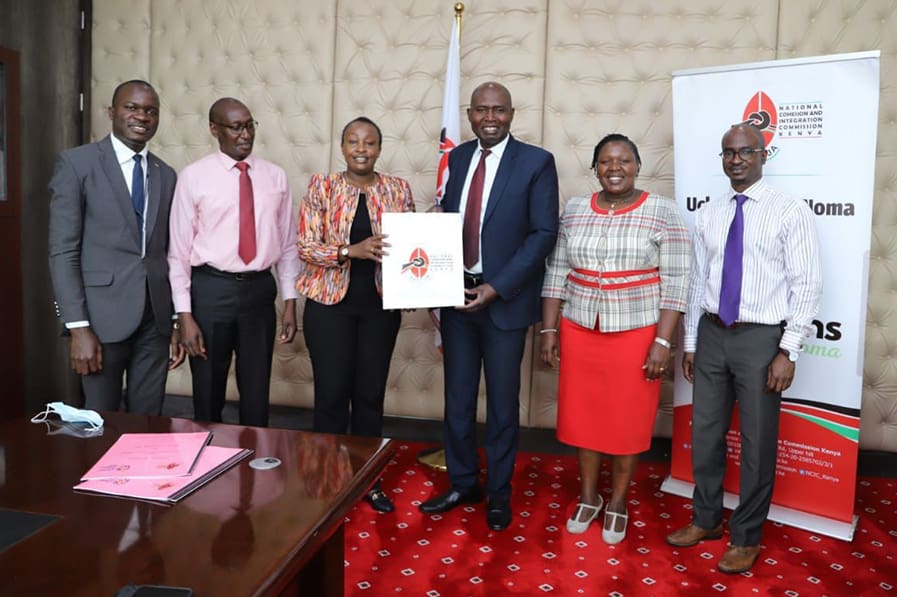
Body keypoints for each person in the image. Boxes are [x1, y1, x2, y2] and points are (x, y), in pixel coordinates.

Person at [666, 123, 821, 574]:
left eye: (745, 153)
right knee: (706, 435)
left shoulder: (789, 211)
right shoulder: (711, 212)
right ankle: (706, 519)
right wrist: (692, 343)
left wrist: (787, 350)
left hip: (760, 339)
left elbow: (806, 285)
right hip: (713, 333)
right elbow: (699, 281)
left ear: (763, 155)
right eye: (728, 153)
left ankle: (746, 536)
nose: (736, 160)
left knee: (756, 444)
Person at [418, 82, 559, 531]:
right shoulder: (457, 158)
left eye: (499, 110)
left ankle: (498, 492)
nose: (490, 117)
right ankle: (462, 483)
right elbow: (447, 219)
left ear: (512, 114)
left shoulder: (537, 163)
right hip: (456, 297)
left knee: (501, 404)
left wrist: (497, 287)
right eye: (482, 110)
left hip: (504, 302)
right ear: (470, 114)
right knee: (457, 400)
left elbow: (542, 235)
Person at [541, 134, 691, 543]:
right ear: (595, 167)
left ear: (638, 166)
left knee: (626, 422)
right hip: (579, 328)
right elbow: (555, 272)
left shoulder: (663, 211)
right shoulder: (574, 210)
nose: (615, 168)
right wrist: (550, 328)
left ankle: (619, 500)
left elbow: (677, 281)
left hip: (637, 332)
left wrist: (662, 341)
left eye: (624, 160)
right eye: (606, 161)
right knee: (583, 419)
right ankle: (589, 497)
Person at [295, 116, 415, 513]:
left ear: (380, 148)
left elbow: (414, 246)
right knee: (331, 398)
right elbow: (306, 246)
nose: (361, 148)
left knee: (369, 398)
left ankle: (367, 481)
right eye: (353, 141)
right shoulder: (321, 186)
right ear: (342, 146)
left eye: (369, 142)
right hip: (330, 308)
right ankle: (325, 484)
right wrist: (350, 250)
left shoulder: (398, 189)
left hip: (379, 308)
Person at [48, 79, 184, 414]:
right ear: (112, 112)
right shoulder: (77, 164)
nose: (142, 116)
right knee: (100, 421)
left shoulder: (165, 174)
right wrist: (76, 326)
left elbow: (167, 252)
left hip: (155, 321)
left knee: (147, 422)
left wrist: (175, 321)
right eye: (132, 107)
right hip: (99, 320)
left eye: (151, 111)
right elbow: (63, 252)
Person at [168, 97, 301, 427]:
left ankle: (255, 465)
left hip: (259, 289)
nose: (245, 134)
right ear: (215, 130)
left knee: (256, 388)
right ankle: (205, 458)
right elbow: (178, 253)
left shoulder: (276, 177)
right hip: (211, 290)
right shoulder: (193, 177)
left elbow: (287, 244)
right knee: (208, 387)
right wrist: (184, 315)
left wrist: (289, 302)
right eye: (236, 127)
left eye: (250, 125)